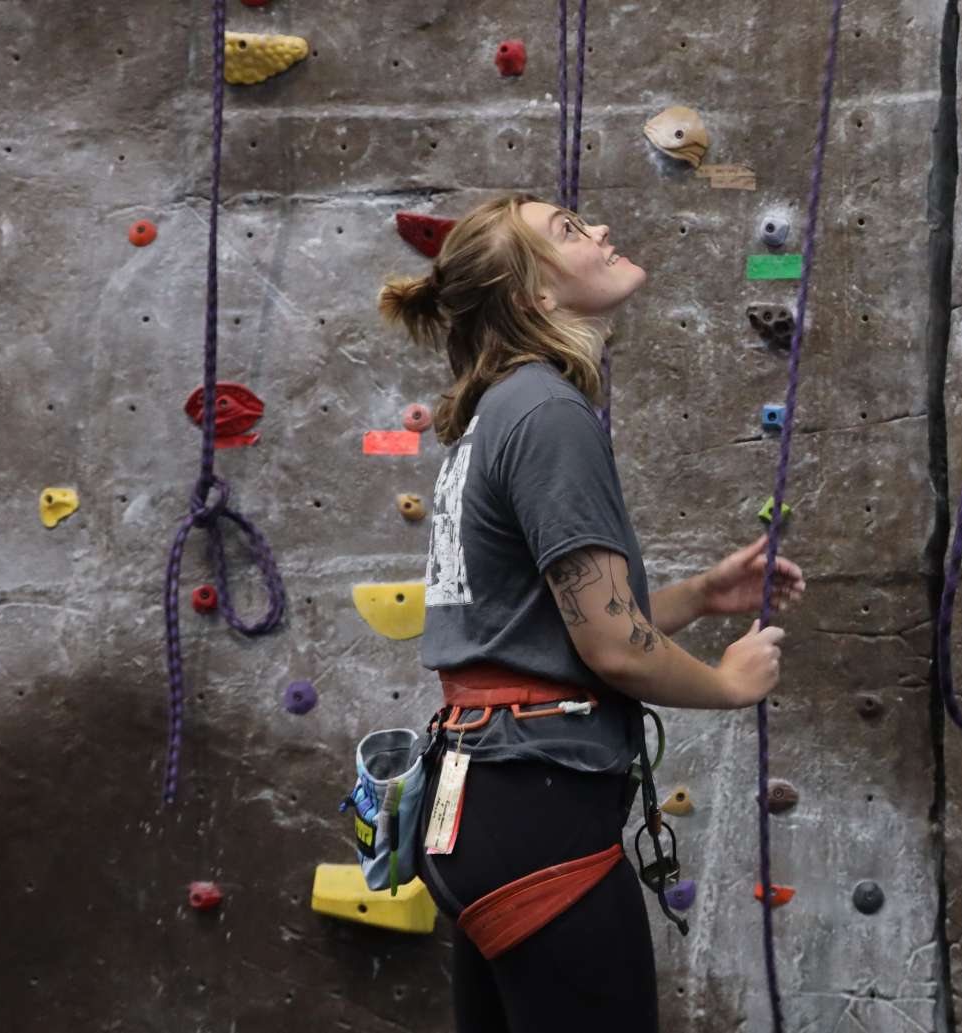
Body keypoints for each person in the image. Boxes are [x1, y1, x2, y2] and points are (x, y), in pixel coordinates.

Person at [377, 192, 804, 1033]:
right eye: (568, 232)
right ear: (535, 296)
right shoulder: (548, 412)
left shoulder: (495, 412)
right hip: (539, 804)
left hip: (481, 797)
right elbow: (613, 644)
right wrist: (727, 682)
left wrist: (695, 597)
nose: (602, 229)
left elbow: (530, 626)